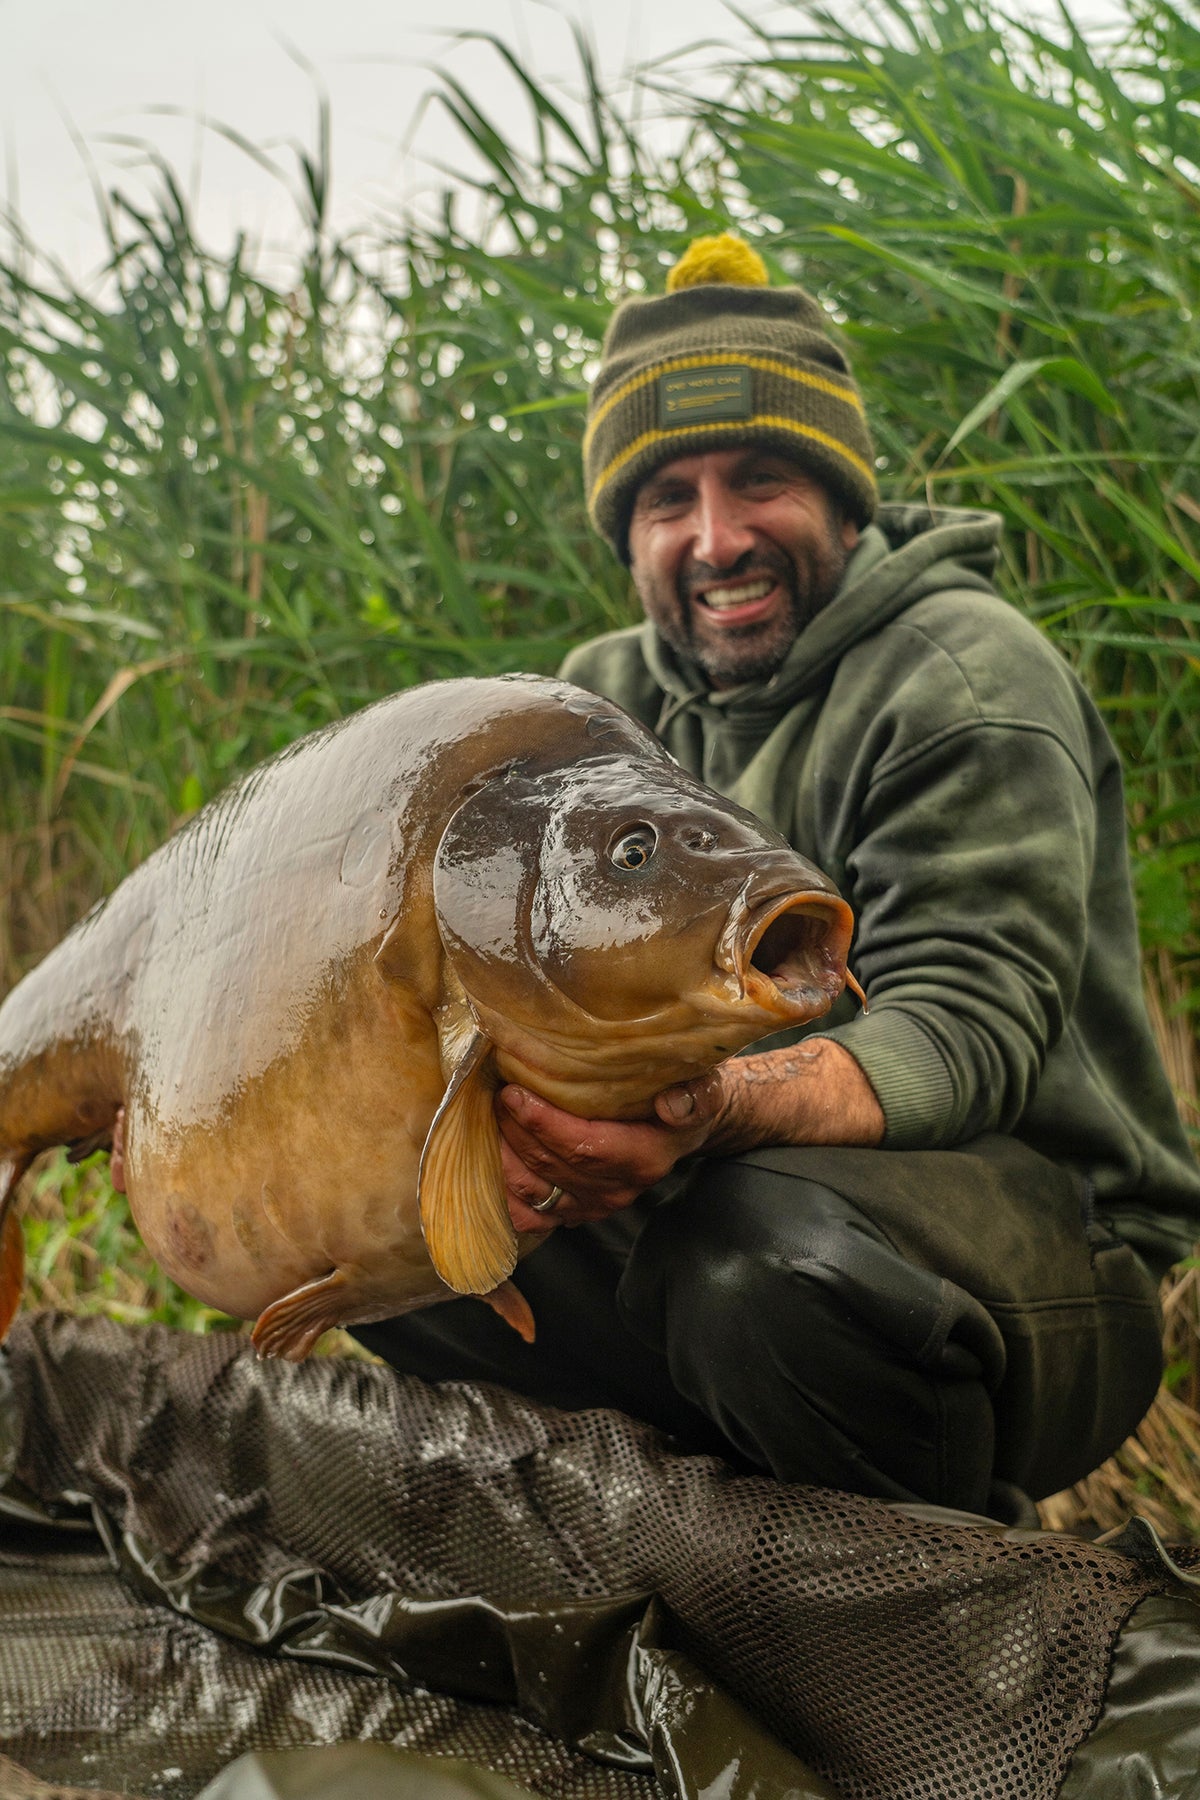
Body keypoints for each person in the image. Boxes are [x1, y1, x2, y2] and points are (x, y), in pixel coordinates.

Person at [355, 233, 1200, 1520]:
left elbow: (962, 1031)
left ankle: (944, 1576)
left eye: (761, 481)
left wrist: (699, 1110)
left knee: (758, 1264)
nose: (717, 539)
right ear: (627, 534)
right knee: (393, 1226)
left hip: (1039, 1250)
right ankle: (682, 1533)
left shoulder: (963, 674)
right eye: (667, 500)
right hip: (712, 1197)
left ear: (844, 500)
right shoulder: (590, 705)